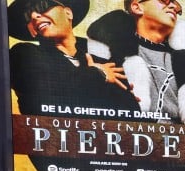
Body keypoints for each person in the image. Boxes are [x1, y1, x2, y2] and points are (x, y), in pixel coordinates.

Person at [8, 0, 139, 116]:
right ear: (30, 31)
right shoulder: (22, 55)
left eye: (42, 5)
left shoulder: (105, 61)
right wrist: (98, 75)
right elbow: (40, 101)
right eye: (27, 16)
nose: (34, 16)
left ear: (68, 13)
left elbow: (131, 111)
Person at [87, 0, 185, 124]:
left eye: (176, 5)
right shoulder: (109, 51)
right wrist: (94, 75)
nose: (172, 6)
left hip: (176, 140)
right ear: (136, 7)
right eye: (164, 1)